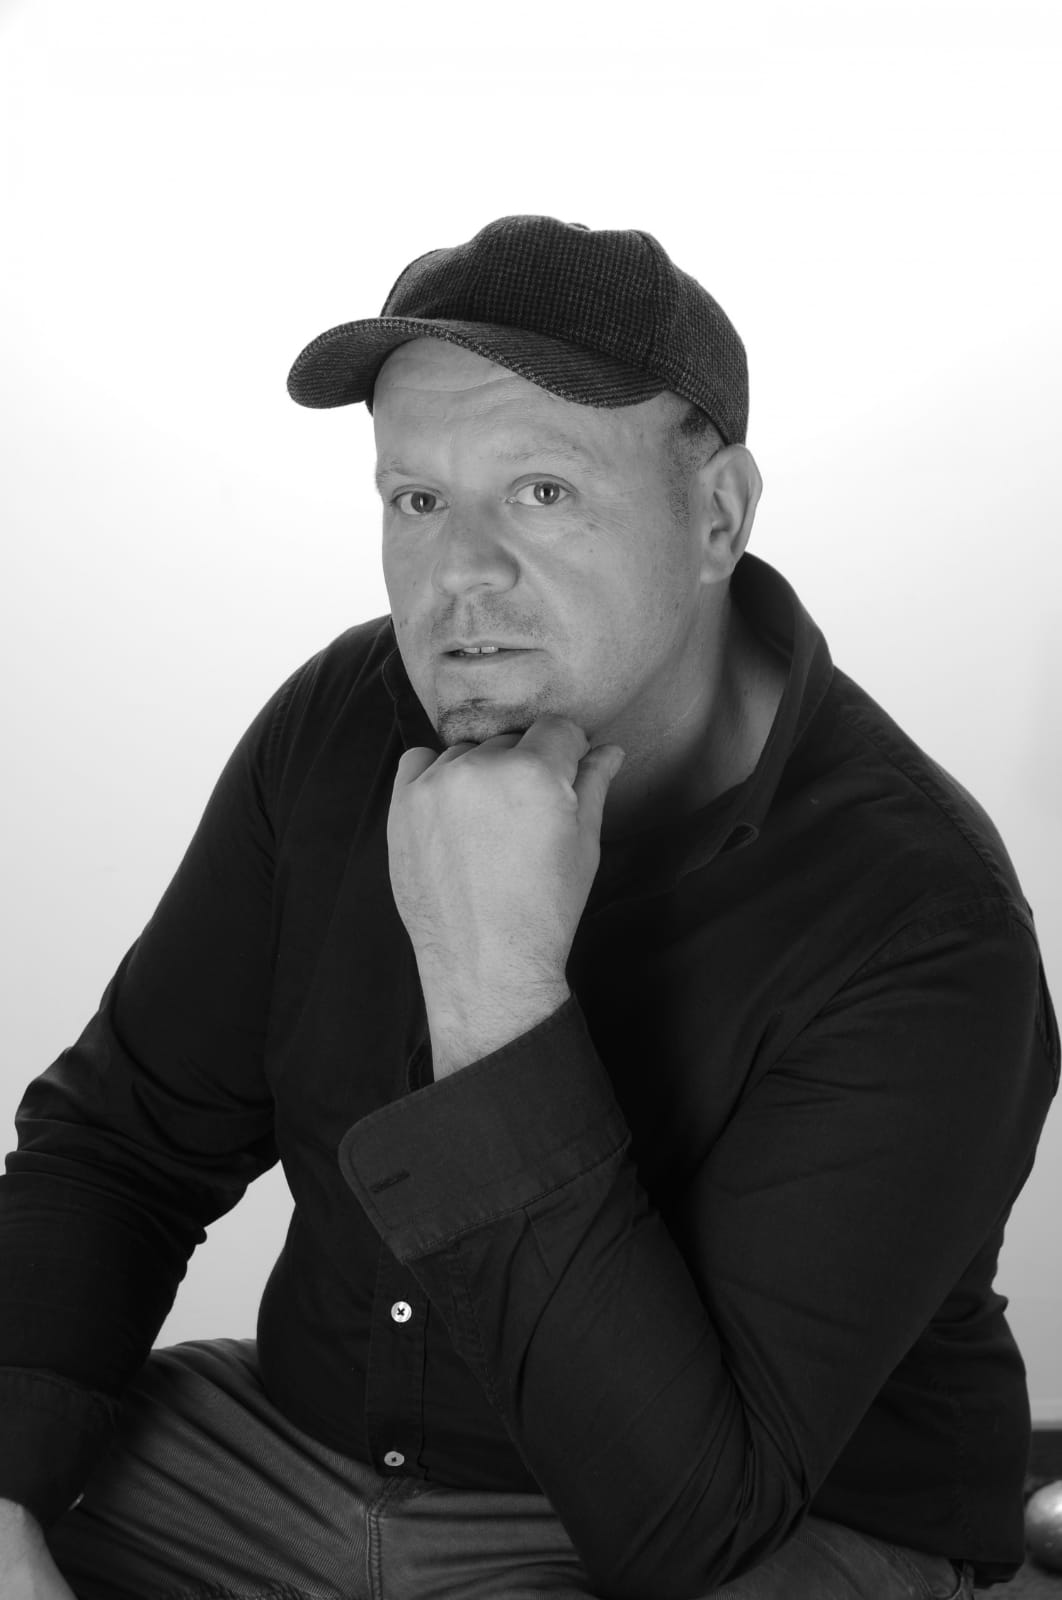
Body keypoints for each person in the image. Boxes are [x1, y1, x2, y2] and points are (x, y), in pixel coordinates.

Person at [0, 214, 1057, 1600]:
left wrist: (493, 984)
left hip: (737, 1527)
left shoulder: (915, 916)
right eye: (417, 501)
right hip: (287, 1466)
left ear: (717, 517)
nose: (459, 576)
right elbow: (120, 1149)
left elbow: (688, 1526)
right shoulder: (343, 719)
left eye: (542, 491)